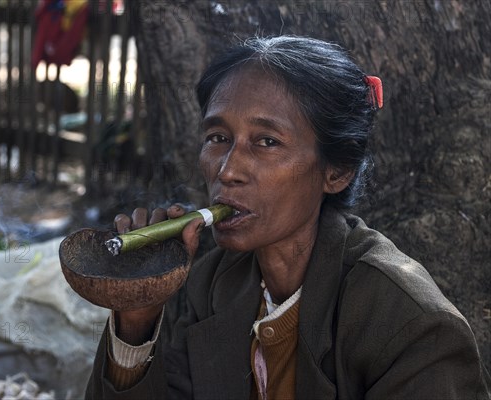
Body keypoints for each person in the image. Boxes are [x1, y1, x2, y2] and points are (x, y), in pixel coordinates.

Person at [85, 36, 491, 399]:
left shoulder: (411, 324)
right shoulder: (207, 287)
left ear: (336, 171)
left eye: (266, 142)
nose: (227, 170)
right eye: (218, 138)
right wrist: (136, 319)